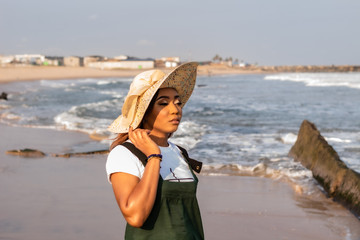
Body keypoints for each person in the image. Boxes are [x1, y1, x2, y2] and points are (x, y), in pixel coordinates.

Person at [106, 62, 204, 240]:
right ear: (143, 112)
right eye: (163, 103)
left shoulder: (179, 153)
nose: (175, 110)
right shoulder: (125, 153)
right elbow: (135, 216)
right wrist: (153, 156)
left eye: (178, 102)